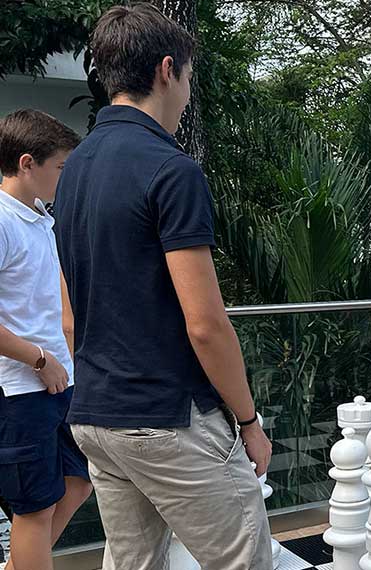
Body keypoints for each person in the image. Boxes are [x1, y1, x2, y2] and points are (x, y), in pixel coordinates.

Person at [53, 4, 273, 568]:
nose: (186, 96)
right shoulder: (171, 169)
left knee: (132, 562)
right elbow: (204, 324)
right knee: (242, 558)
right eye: (189, 80)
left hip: (97, 415)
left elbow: (71, 315)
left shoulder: (74, 168)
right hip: (166, 417)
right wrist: (248, 422)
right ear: (167, 70)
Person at [0, 109, 92, 570]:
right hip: (19, 392)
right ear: (26, 163)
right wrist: (39, 360)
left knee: (78, 482)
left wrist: (66, 360)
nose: (64, 177)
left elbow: (58, 305)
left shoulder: (38, 218)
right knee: (33, 510)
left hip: (60, 381)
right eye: (59, 167)